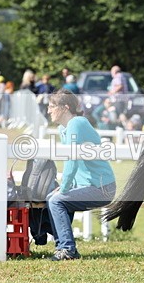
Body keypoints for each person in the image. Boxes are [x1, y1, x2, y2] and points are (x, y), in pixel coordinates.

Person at [45, 89, 117, 260]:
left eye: (51, 106)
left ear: (65, 107)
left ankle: (67, 250)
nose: (48, 111)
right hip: (89, 186)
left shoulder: (77, 124)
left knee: (56, 200)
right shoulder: (65, 128)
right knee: (52, 198)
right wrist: (65, 188)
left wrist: (63, 188)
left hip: (101, 188)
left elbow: (73, 160)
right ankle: (62, 247)